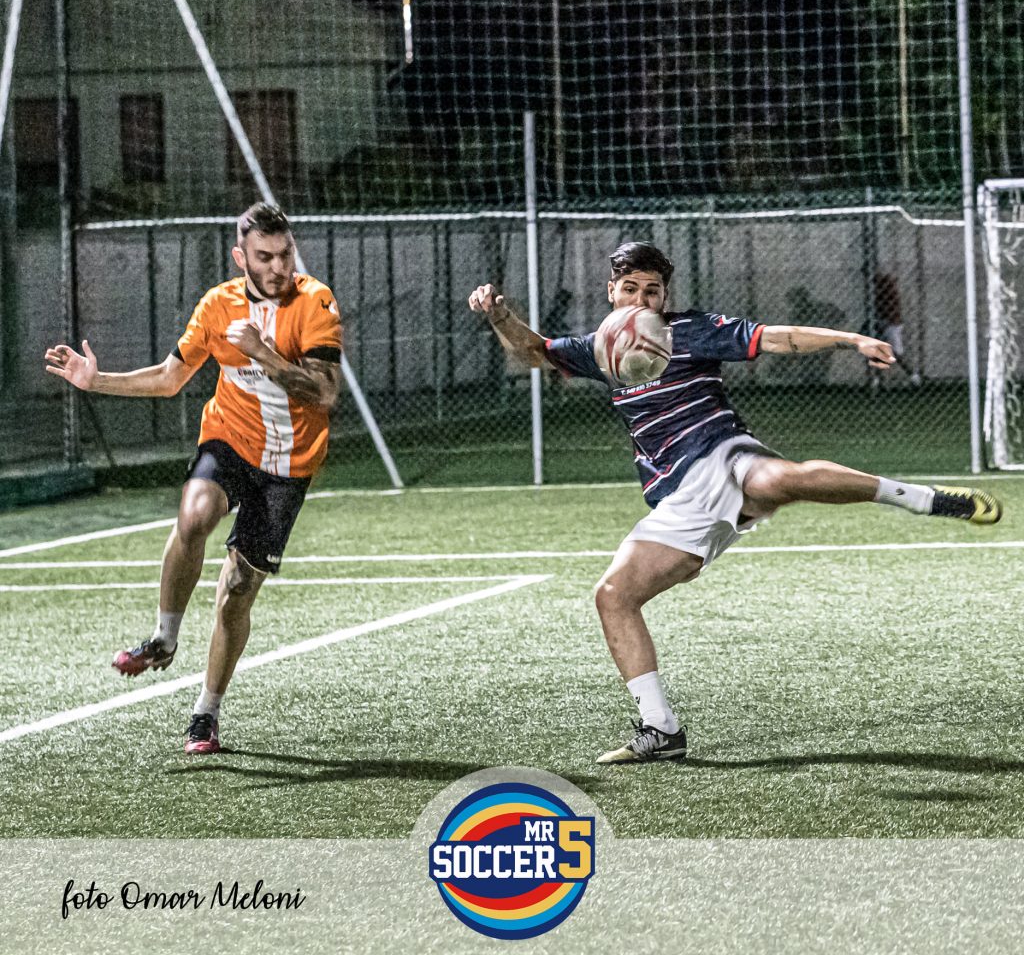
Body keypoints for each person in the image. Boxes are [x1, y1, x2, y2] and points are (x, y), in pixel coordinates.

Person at [468, 241, 1002, 765]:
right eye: (630, 288)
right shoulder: (601, 347)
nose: (641, 299)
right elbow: (534, 352)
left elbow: (777, 338)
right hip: (679, 495)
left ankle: (922, 499)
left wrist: (852, 340)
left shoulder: (691, 330)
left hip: (724, 451)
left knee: (780, 480)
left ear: (664, 296)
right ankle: (661, 728)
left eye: (652, 290)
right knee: (613, 596)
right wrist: (499, 315)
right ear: (612, 291)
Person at [45, 202, 342, 755]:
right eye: (264, 257)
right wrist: (95, 381)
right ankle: (163, 637)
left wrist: (262, 353)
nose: (278, 266)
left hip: (289, 465)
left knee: (236, 592)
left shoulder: (315, 301)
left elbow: (324, 393)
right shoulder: (217, 305)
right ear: (240, 258)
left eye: (285, 254)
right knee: (196, 513)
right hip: (232, 438)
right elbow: (168, 378)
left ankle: (206, 711)